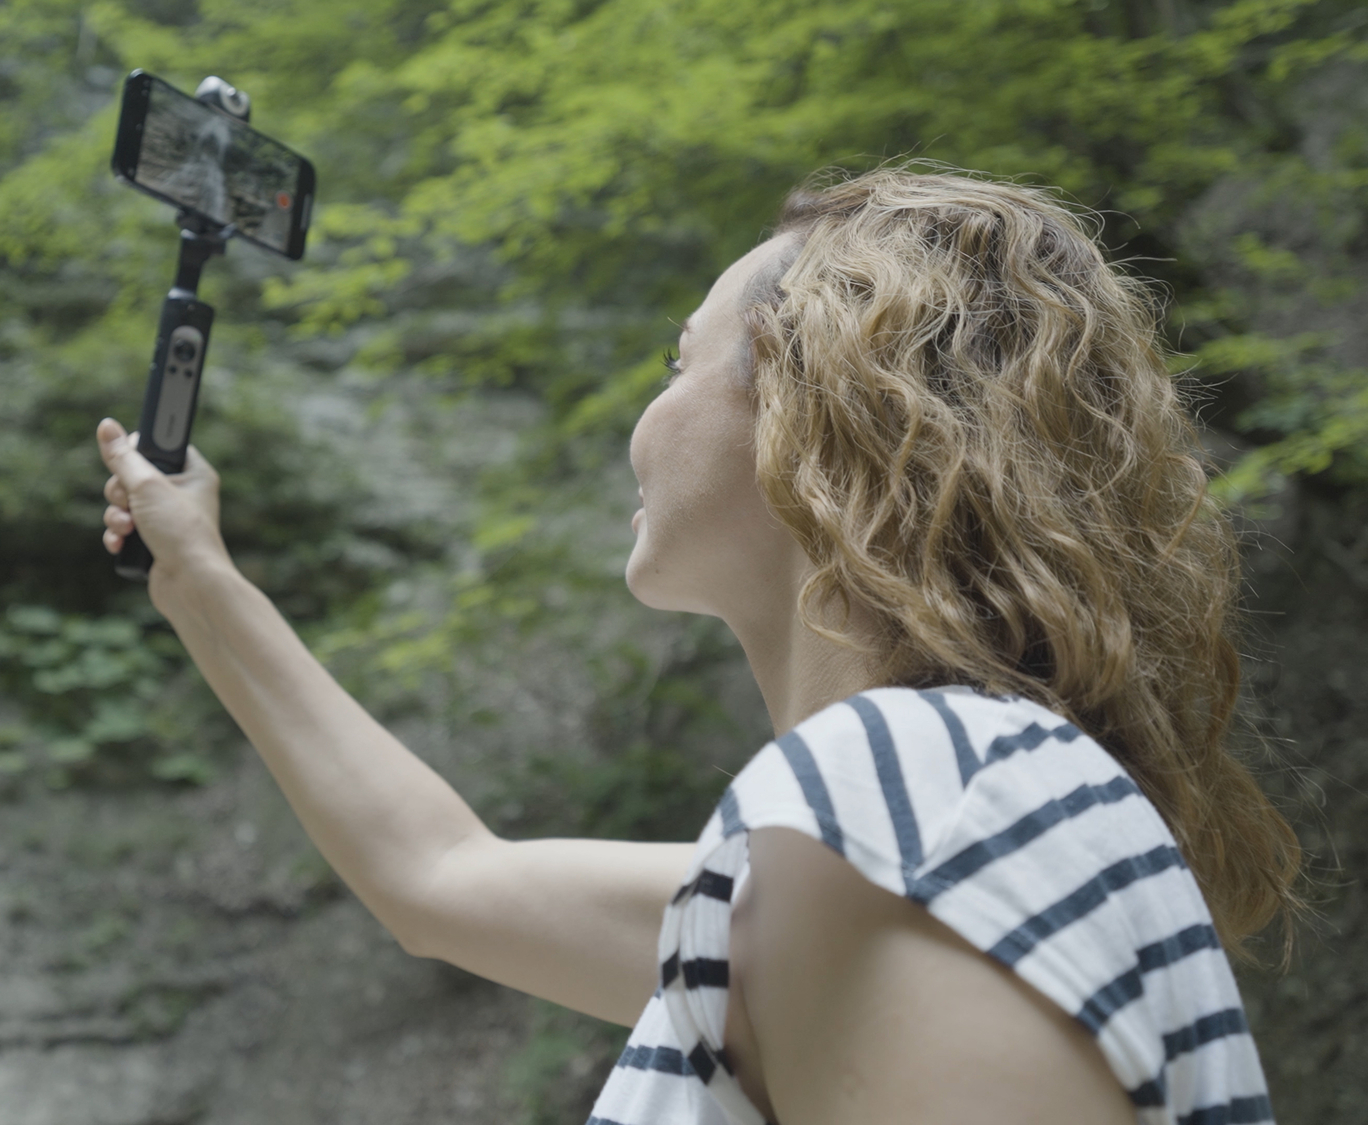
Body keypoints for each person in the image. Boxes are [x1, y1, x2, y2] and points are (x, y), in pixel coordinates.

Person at [92, 168, 1301, 1125]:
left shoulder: (925, 791)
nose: (648, 412)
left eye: (678, 361)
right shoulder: (892, 831)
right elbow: (437, 880)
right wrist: (197, 575)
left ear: (819, 399)